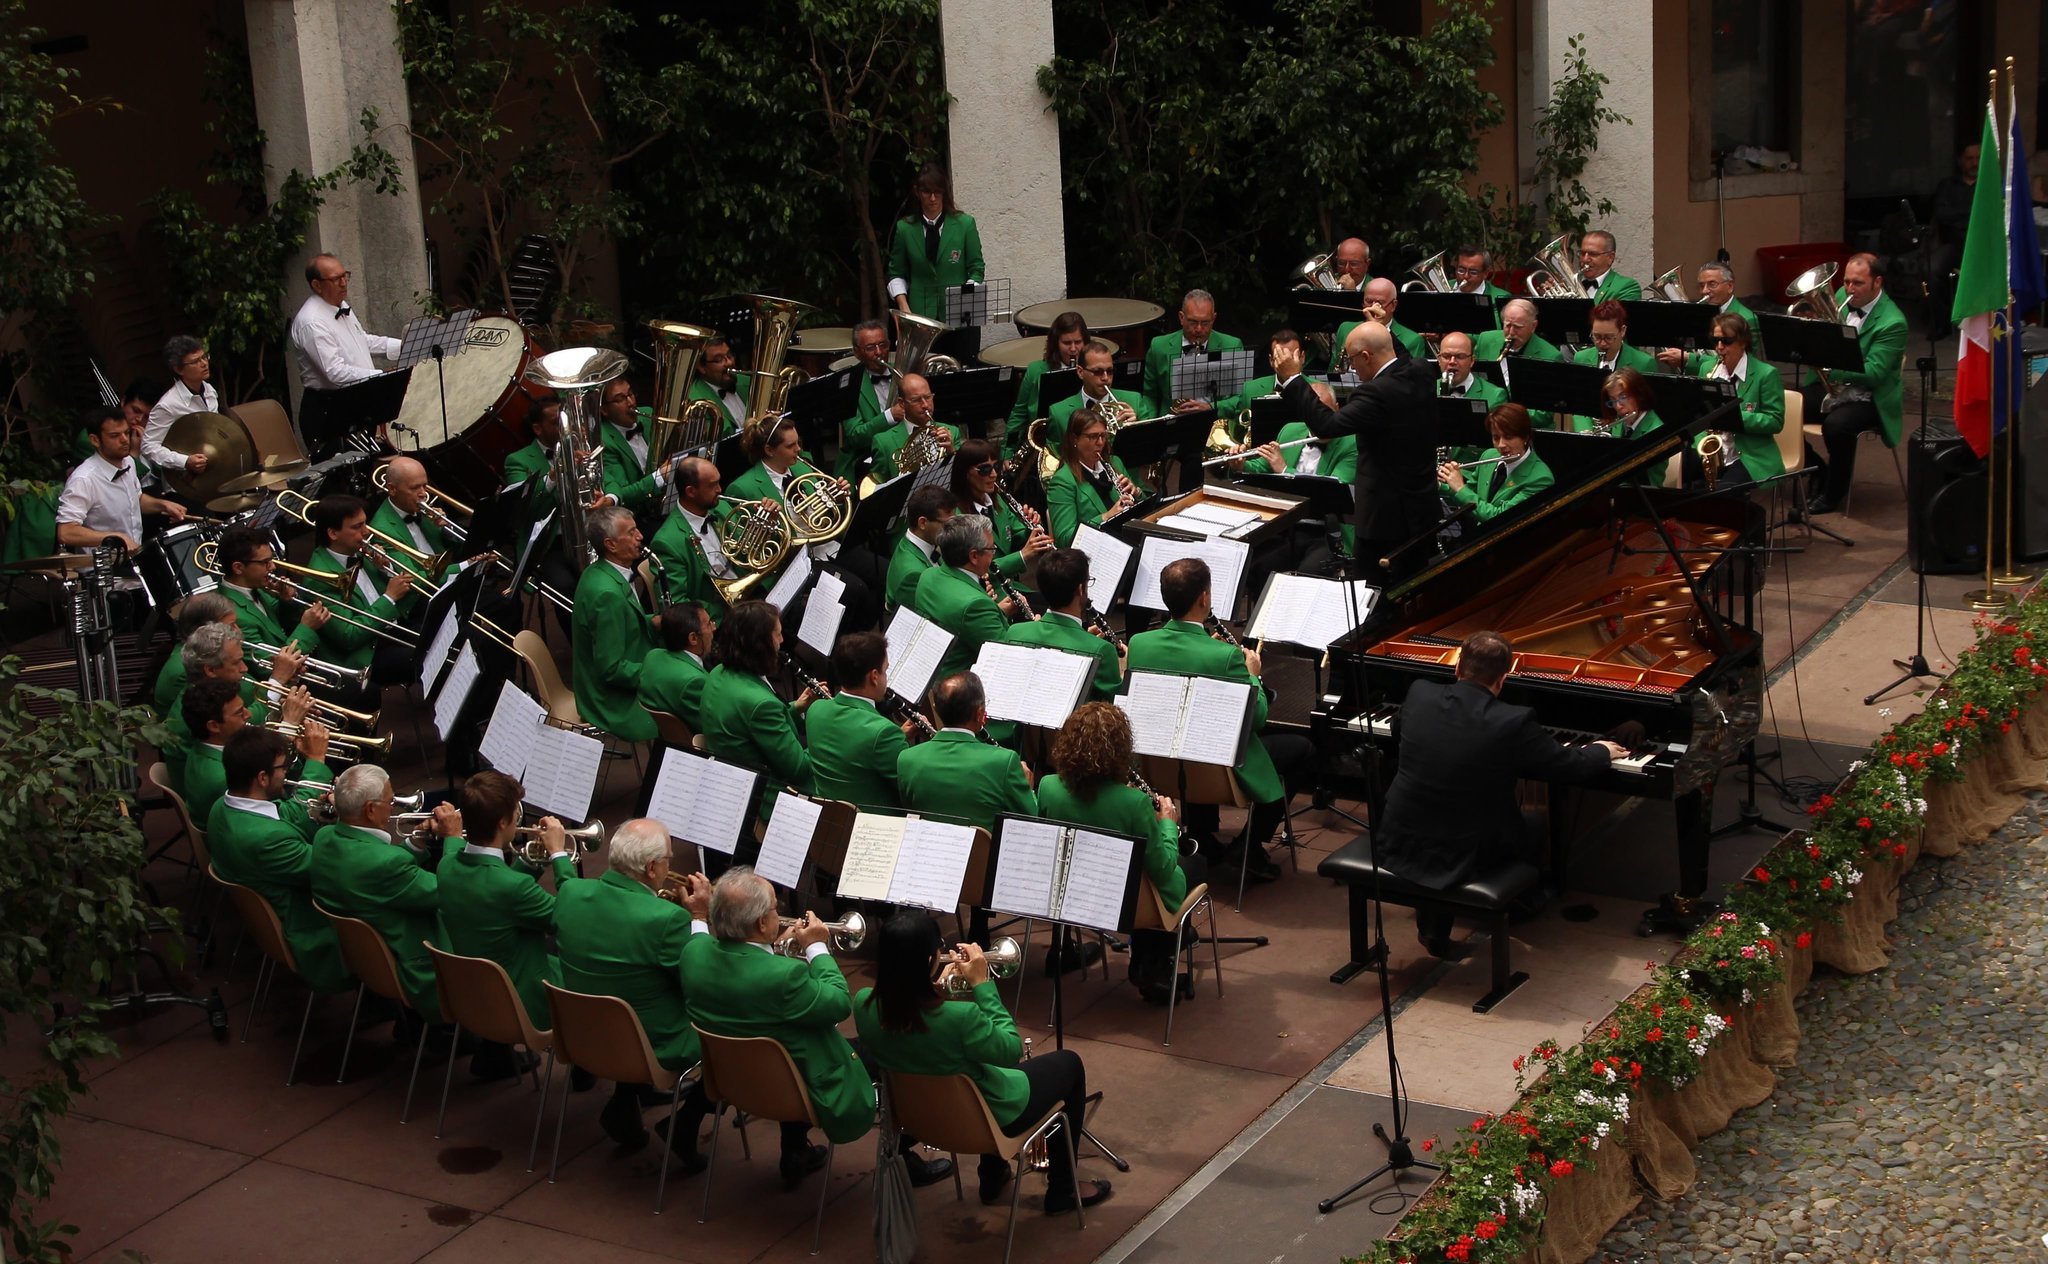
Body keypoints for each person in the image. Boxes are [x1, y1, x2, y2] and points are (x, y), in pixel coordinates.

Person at [1372, 630, 1625, 957]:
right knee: (1533, 825)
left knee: (1450, 810)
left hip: (1397, 836)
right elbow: (1569, 766)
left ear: (1457, 667)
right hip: (1463, 851)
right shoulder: (1512, 720)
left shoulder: (1420, 692)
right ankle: (1521, 903)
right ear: (1503, 678)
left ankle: (1434, 929)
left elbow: (1398, 728)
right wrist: (1601, 750)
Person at [854, 910, 1111, 1212]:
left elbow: (916, 1026)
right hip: (983, 1120)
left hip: (918, 1120)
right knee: (1069, 1064)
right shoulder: (961, 1019)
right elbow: (1010, 1048)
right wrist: (981, 985)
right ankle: (1063, 1189)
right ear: (927, 962)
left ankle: (994, 1174)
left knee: (977, 1064)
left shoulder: (863, 1004)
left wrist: (935, 988)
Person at [680, 868, 915, 1189]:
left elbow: (716, 948)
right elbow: (837, 1003)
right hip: (797, 1084)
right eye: (775, 909)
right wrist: (817, 947)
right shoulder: (785, 976)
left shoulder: (694, 954)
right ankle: (905, 1157)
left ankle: (794, 1149)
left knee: (790, 1041)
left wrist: (703, 914)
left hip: (735, 1080)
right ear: (762, 923)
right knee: (882, 1046)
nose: (781, 915)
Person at [1123, 558, 1314, 879]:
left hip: (1159, 764)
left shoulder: (1140, 644)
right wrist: (1253, 674)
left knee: (1191, 728)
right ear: (1204, 598)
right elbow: (1258, 719)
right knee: (1303, 750)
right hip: (1217, 769)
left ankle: (1202, 834)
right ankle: (1249, 847)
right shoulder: (1225, 656)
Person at [553, 817, 716, 1162]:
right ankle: (685, 1124)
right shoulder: (667, 920)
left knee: (631, 994)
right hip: (651, 1046)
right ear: (653, 866)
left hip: (582, 1034)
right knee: (732, 1027)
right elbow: (704, 982)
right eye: (669, 859)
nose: (671, 866)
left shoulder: (570, 892)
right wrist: (699, 918)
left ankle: (624, 1104)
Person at [1038, 702, 1200, 1004]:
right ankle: (1157, 957)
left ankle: (1154, 955)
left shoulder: (1048, 787)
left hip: (1073, 892)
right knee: (1191, 866)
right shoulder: (1134, 803)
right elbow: (1162, 868)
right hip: (1125, 902)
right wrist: (1166, 824)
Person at [436, 769, 579, 1081]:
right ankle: (586, 1063)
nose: (518, 817)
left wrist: (530, 861)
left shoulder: (447, 866)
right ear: (502, 822)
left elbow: (495, 888)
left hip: (472, 993)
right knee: (592, 956)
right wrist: (558, 855)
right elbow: (573, 919)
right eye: (516, 812)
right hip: (525, 1001)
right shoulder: (511, 888)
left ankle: (494, 1054)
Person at [1273, 322, 1440, 584]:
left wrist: (1294, 379)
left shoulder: (1375, 393)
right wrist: (1380, 323)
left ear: (1366, 357)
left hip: (1384, 520)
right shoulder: (1421, 371)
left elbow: (1326, 425)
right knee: (1414, 588)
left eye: (1352, 360)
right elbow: (1397, 351)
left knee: (1374, 593)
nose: (1352, 367)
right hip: (1422, 510)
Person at [308, 765, 465, 1030]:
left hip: (368, 960)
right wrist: (453, 839)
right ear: (370, 809)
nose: (393, 807)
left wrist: (418, 841)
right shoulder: (385, 865)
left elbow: (377, 865)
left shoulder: (324, 837)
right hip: (419, 968)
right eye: (390, 801)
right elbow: (455, 891)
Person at [206, 724, 350, 995]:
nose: (287, 773)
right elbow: (333, 869)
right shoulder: (266, 840)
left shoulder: (222, 806)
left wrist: (316, 812)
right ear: (262, 778)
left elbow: (279, 814)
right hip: (313, 925)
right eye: (283, 768)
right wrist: (347, 824)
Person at [1803, 253, 1905, 516]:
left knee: (1837, 427)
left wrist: (1831, 364)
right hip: (1834, 385)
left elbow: (1875, 373)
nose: (1849, 289)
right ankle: (1816, 468)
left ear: (1877, 282)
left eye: (1857, 283)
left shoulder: (1893, 322)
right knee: (1780, 405)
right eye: (1846, 281)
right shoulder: (1839, 297)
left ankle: (1834, 491)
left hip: (1870, 396)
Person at [697, 599, 816, 826]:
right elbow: (799, 770)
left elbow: (751, 722)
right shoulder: (760, 704)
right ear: (760, 644)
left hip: (735, 776)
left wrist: (795, 707)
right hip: (769, 796)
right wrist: (830, 737)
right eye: (778, 635)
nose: (782, 641)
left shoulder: (719, 672)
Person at [896, 672, 1038, 837]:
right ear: (979, 713)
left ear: (936, 708)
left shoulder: (906, 759)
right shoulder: (1004, 761)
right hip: (981, 859)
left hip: (929, 853)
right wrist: (1028, 789)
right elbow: (1032, 820)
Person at [571, 505, 659, 743]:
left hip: (622, 669)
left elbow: (625, 623)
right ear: (610, 545)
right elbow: (611, 670)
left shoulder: (601, 572)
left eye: (637, 529)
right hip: (610, 700)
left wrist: (656, 621)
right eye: (630, 533)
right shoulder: (605, 595)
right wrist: (660, 673)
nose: (640, 536)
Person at [304, 494, 413, 682]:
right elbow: (349, 635)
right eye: (357, 527)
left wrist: (384, 569)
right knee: (424, 659)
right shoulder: (320, 578)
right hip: (368, 652)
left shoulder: (357, 550)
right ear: (333, 533)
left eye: (365, 523)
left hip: (391, 627)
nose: (366, 532)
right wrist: (389, 597)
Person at [805, 631, 916, 811]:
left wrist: (896, 739)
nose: (886, 678)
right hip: (872, 827)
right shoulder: (884, 733)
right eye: (885, 670)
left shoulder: (815, 710)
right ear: (874, 677)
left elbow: (853, 749)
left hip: (827, 818)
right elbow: (911, 790)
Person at [56, 407, 189, 556]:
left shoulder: (128, 462)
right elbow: (66, 532)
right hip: (102, 570)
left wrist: (162, 505)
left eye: (126, 433)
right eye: (115, 435)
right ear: (95, 440)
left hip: (133, 559)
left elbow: (135, 498)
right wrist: (116, 538)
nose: (125, 439)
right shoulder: (83, 480)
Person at [1002, 548, 1123, 701]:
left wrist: (1083, 637)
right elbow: (1112, 705)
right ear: (1081, 589)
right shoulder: (1102, 650)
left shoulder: (1015, 632)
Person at [912, 515, 1020, 678]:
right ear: (974, 556)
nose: (993, 555)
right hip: (964, 686)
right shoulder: (975, 606)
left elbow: (961, 622)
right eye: (992, 549)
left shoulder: (927, 575)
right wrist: (1034, 629)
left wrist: (998, 612)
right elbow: (1006, 656)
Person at [1693, 312, 1786, 489]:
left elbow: (1775, 421)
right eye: (1715, 341)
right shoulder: (1707, 368)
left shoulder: (1766, 374)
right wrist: (1701, 448)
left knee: (1723, 495)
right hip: (1713, 450)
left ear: (1743, 342)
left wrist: (1733, 417)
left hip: (1748, 455)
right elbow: (1699, 416)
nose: (1719, 347)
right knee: (1682, 484)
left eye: (1726, 341)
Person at [951, 438, 1050, 596]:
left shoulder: (998, 501)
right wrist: (1022, 555)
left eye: (995, 466)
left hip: (1011, 586)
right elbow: (974, 568)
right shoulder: (958, 518)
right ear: (965, 473)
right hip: (988, 592)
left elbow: (1015, 535)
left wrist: (1031, 532)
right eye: (985, 470)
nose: (994, 474)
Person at [888, 162, 984, 322]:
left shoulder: (965, 224)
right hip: (920, 316)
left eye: (937, 192)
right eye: (926, 192)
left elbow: (977, 269)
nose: (932, 198)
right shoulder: (904, 228)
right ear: (917, 192)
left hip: (961, 316)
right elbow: (896, 273)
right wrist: (904, 307)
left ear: (944, 192)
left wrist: (964, 296)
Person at [290, 253, 401, 391]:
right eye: (336, 279)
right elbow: (334, 372)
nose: (343, 283)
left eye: (345, 276)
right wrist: (382, 375)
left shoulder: (340, 305)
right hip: (331, 406)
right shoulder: (312, 322)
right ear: (317, 285)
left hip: (358, 395)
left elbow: (362, 341)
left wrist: (406, 346)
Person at [212, 524, 328, 654]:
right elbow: (270, 666)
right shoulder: (230, 616)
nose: (273, 567)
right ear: (238, 568)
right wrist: (307, 628)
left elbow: (283, 627)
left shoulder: (257, 587)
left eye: (271, 560)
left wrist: (287, 599)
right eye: (265, 562)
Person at [1044, 405, 1148, 548]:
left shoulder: (1115, 463)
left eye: (1103, 436)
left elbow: (1145, 506)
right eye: (1093, 437)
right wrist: (1106, 517)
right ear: (1075, 439)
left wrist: (1136, 493)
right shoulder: (1062, 482)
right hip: (1095, 550)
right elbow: (1064, 539)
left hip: (1126, 539)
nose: (1100, 443)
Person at [648, 455, 736, 619]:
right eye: (712, 485)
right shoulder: (667, 542)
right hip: (718, 616)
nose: (719, 489)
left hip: (747, 595)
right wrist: (725, 611)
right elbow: (678, 605)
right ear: (691, 491)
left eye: (718, 481)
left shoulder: (721, 507)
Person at [1438, 403, 1556, 523]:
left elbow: (1500, 518)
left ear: (1525, 437)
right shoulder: (1489, 455)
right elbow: (1468, 494)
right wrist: (1441, 485)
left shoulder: (1540, 479)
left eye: (1508, 437)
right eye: (1496, 437)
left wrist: (1459, 488)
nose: (1501, 445)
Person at [1142, 289, 1245, 418]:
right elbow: (1150, 395)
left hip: (1214, 423)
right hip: (1170, 425)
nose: (1199, 329)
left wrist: (1210, 408)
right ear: (1181, 317)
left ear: (1214, 318)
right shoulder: (1158, 346)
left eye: (1205, 323)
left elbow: (1241, 397)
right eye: (1193, 322)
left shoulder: (1232, 346)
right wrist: (1149, 424)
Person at [364, 456, 445, 619]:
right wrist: (463, 567)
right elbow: (412, 580)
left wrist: (446, 529)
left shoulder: (424, 510)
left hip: (446, 583)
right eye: (415, 488)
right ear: (392, 489)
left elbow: (454, 551)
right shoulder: (382, 528)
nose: (423, 494)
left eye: (425, 486)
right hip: (422, 600)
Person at [1006, 312, 1090, 452]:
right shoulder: (1035, 371)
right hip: (1044, 444)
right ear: (1056, 343)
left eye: (1078, 342)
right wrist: (1008, 451)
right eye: (1067, 343)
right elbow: (1019, 414)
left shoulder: (1093, 370)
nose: (1073, 349)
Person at [1655, 262, 1764, 370]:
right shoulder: (1703, 312)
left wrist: (1688, 358)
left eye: (1712, 284)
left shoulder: (1746, 319)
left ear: (1730, 286)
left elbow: (1742, 362)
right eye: (1701, 286)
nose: (1704, 291)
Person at [175, 677, 254, 825]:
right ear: (214, 726)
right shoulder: (224, 778)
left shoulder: (201, 747)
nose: (248, 714)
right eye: (239, 713)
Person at [594, 376, 675, 515]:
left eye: (630, 394)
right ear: (604, 410)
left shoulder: (649, 415)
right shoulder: (603, 441)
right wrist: (660, 477)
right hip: (640, 515)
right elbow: (622, 493)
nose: (631, 403)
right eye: (620, 399)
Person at [152, 590, 239, 717]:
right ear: (206, 629)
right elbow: (216, 716)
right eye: (230, 626)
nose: (237, 630)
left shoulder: (210, 651)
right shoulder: (185, 669)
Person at [141, 336, 215, 477]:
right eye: (195, 361)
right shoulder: (167, 405)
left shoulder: (209, 390)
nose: (204, 363)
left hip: (212, 470)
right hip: (185, 481)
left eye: (204, 357)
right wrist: (184, 461)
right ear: (179, 369)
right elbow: (148, 446)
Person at [868, 371, 959, 482]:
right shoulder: (883, 442)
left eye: (928, 397)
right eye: (916, 400)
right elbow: (877, 487)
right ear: (902, 403)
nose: (925, 405)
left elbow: (965, 477)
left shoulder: (953, 432)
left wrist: (951, 451)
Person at [639, 603, 714, 730]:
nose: (713, 628)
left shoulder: (652, 656)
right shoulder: (694, 682)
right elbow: (711, 725)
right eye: (708, 624)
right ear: (693, 638)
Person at [837, 318, 896, 479]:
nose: (879, 352)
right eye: (870, 347)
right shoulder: (848, 385)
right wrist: (890, 416)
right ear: (857, 352)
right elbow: (855, 436)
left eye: (883, 345)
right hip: (866, 457)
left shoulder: (902, 374)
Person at [1329, 277, 1426, 371]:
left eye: (1379, 303)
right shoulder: (1345, 328)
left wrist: (1381, 328)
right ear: (1362, 303)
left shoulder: (1413, 340)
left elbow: (1412, 377)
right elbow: (1333, 370)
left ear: (1393, 305)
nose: (1373, 308)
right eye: (1369, 301)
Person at [1048, 342, 1147, 433]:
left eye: (1110, 371)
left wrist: (1136, 427)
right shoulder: (1059, 413)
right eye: (1097, 372)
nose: (1105, 378)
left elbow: (1151, 444)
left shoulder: (1134, 401)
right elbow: (1056, 452)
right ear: (1080, 372)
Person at [885, 483, 957, 609]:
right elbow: (938, 617)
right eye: (948, 524)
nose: (953, 529)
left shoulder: (922, 541)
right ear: (923, 523)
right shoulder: (913, 575)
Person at [686, 335, 753, 438]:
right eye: (718, 360)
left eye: (730, 355)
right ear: (701, 367)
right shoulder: (694, 400)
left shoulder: (749, 381)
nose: (729, 362)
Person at [1571, 300, 1657, 377]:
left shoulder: (1644, 363)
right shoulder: (1580, 358)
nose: (1602, 344)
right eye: (1597, 337)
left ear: (1622, 331)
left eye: (1608, 337)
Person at [1472, 298, 1563, 363]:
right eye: (1508, 325)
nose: (1511, 333)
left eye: (1518, 327)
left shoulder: (1551, 356)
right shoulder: (1485, 339)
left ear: (1533, 326)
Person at [1450, 245, 1510, 327]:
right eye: (1461, 270)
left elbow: (1496, 331)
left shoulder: (1501, 297)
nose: (1466, 276)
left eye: (1473, 272)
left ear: (1485, 274)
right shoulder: (1440, 287)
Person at [1576, 230, 1641, 302]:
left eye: (1593, 254)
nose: (1585, 259)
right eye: (1582, 253)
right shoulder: (1574, 283)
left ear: (1610, 257)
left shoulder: (1627, 287)